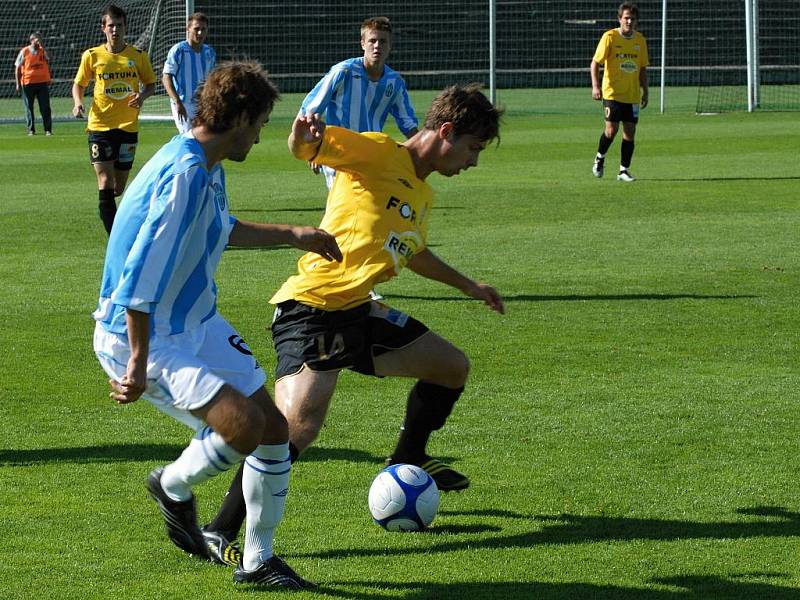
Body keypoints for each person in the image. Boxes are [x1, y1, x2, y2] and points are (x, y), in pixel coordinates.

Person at [198, 83, 505, 564]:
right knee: (294, 427)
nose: (473, 162)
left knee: (450, 366)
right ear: (446, 132)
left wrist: (468, 285)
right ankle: (218, 530)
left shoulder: (422, 193)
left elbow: (413, 251)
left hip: (359, 310)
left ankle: (407, 458)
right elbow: (309, 148)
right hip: (313, 309)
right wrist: (303, 136)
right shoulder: (379, 152)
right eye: (473, 149)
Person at [92, 61, 342, 588]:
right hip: (143, 334)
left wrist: (294, 233)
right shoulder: (184, 175)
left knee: (275, 430)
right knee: (244, 428)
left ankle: (258, 561)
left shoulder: (206, 163)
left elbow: (219, 230)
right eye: (261, 122)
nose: (261, 133)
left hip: (195, 324)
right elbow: (138, 276)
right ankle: (173, 486)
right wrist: (137, 362)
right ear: (242, 116)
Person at [300, 16, 418, 189]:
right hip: (338, 153)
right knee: (345, 206)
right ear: (363, 43)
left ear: (390, 46)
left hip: (372, 154)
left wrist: (426, 152)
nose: (377, 46)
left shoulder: (395, 82)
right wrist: (311, 148)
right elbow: (309, 111)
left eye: (383, 41)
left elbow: (408, 125)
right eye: (372, 41)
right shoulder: (343, 72)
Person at [72, 4, 157, 235]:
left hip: (128, 127)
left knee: (118, 188)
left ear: (125, 27)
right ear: (103, 28)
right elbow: (79, 84)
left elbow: (151, 84)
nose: (115, 30)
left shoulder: (138, 57)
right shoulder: (92, 56)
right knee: (105, 182)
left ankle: (122, 226)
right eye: (111, 25)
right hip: (99, 126)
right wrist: (78, 102)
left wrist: (142, 96)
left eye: (119, 25)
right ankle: (116, 239)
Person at [590, 2, 649, 182]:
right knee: (611, 130)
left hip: (631, 95)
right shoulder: (609, 37)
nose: (629, 21)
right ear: (620, 19)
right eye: (626, 18)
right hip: (612, 93)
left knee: (630, 132)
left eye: (632, 19)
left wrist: (645, 91)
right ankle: (599, 158)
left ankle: (623, 170)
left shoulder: (640, 40)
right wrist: (595, 86)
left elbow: (642, 69)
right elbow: (595, 63)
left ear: (636, 21)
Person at [162, 12, 216, 134]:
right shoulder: (178, 50)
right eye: (196, 29)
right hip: (183, 103)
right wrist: (177, 102)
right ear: (188, 28)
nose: (200, 33)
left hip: (203, 104)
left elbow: (212, 79)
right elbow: (166, 78)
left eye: (203, 29)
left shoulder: (209, 52)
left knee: (205, 138)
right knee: (190, 137)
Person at [14, 32, 53, 136]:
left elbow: (49, 58)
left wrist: (43, 47)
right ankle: (31, 130)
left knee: (45, 107)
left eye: (40, 39)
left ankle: (48, 129)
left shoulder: (42, 50)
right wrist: (18, 83)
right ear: (32, 40)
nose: (39, 41)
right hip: (28, 83)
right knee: (29, 107)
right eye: (37, 39)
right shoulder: (25, 51)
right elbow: (17, 67)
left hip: (42, 83)